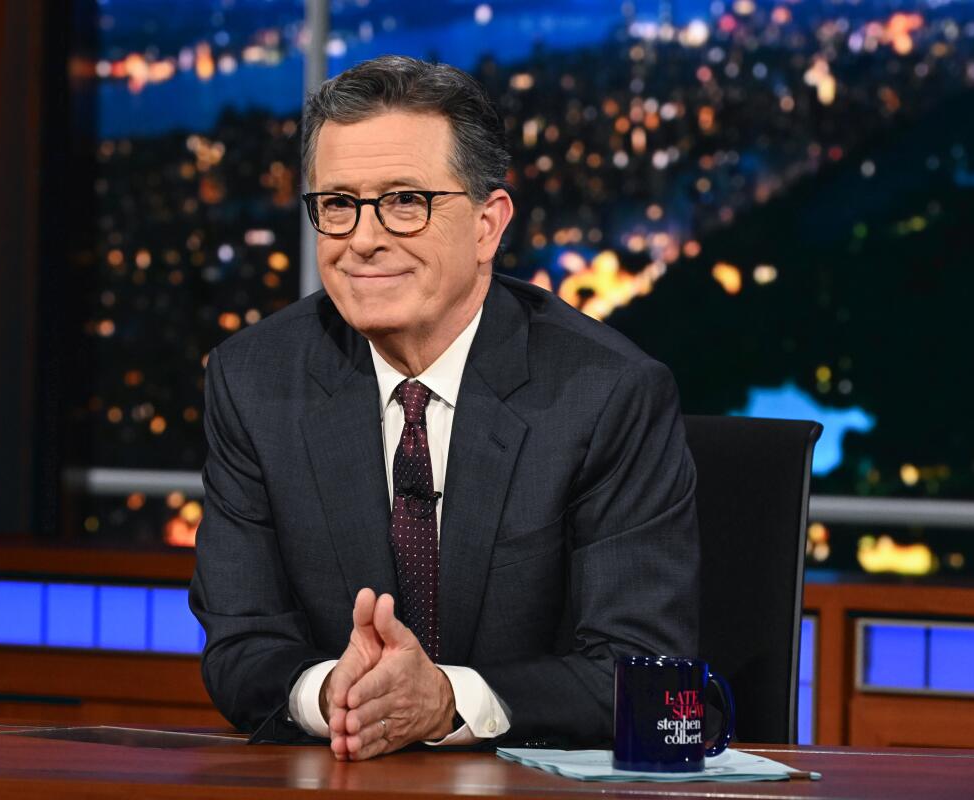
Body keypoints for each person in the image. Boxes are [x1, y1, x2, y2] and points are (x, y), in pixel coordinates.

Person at [189, 55, 699, 761]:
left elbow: (642, 667)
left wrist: (446, 701)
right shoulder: (254, 381)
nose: (363, 239)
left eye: (405, 201)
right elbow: (240, 644)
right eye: (338, 204)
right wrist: (333, 690)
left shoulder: (606, 394)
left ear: (488, 225)